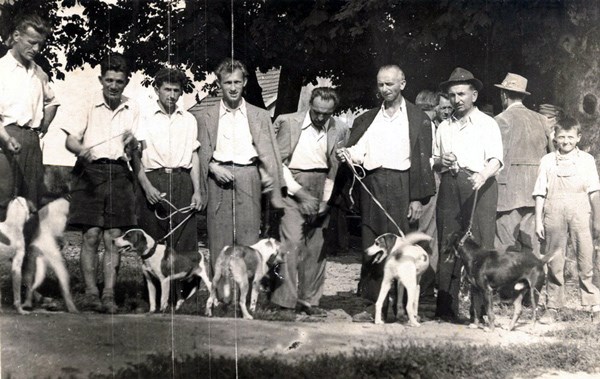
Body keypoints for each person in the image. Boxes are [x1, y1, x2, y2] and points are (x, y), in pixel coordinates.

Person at [333, 64, 435, 322]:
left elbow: (423, 162)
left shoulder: (418, 119)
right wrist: (346, 154)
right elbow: (358, 152)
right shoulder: (368, 119)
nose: (385, 89)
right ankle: (373, 305)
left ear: (402, 84)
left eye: (390, 84)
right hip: (374, 185)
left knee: (402, 248)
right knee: (373, 243)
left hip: (403, 186)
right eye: (381, 84)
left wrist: (417, 198)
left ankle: (400, 308)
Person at [63, 53, 140, 313]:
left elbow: (134, 150)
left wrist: (133, 144)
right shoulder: (87, 103)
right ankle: (91, 293)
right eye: (109, 80)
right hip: (90, 172)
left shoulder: (133, 108)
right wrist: (80, 149)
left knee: (112, 236)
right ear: (101, 79)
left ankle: (109, 295)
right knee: (91, 235)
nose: (114, 86)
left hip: (119, 173)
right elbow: (70, 140)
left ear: (126, 81)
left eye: (119, 81)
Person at [195, 58, 284, 271]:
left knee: (249, 235)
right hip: (218, 178)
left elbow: (271, 153)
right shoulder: (204, 116)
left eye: (237, 82)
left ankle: (246, 292)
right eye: (227, 83)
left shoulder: (260, 115)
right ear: (219, 84)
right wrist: (212, 167)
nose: (233, 88)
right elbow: (198, 152)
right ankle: (221, 292)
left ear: (245, 82)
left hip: (248, 176)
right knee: (219, 236)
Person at [270, 87, 349, 316]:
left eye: (327, 113)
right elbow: (277, 162)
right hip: (292, 183)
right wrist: (298, 191)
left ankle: (308, 302)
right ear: (308, 105)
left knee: (316, 248)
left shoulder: (340, 128)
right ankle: (284, 302)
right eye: (316, 111)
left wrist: (325, 200)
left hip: (322, 182)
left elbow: (335, 169)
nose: (321, 117)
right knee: (291, 243)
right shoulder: (288, 122)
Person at [434, 67, 503, 322]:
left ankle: (482, 312)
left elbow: (496, 159)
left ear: (473, 95)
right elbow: (434, 161)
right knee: (447, 244)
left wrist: (482, 174)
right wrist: (443, 161)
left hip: (480, 187)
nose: (456, 100)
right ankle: (445, 309)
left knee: (481, 249)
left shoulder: (488, 124)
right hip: (450, 187)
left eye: (461, 94)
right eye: (452, 95)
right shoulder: (444, 127)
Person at [533, 116, 600, 324]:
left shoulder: (587, 160)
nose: (566, 141)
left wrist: (597, 219)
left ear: (578, 137)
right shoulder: (547, 161)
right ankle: (552, 307)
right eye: (561, 137)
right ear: (555, 138)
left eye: (570, 137)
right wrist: (537, 221)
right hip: (554, 212)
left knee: (586, 259)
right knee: (554, 261)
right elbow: (539, 193)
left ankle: (594, 305)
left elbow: (595, 192)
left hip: (581, 213)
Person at [135, 68, 203, 252]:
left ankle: (184, 282)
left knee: (184, 243)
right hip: (153, 181)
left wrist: (197, 191)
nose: (172, 95)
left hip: (183, 182)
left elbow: (193, 156)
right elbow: (134, 156)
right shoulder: (143, 117)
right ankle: (153, 282)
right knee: (152, 246)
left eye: (176, 90)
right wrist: (147, 188)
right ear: (157, 89)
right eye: (167, 89)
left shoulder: (189, 119)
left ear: (181, 92)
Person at [0, 14, 59, 210]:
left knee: (30, 205)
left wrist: (45, 124)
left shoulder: (39, 73)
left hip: (32, 143)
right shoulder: (1, 69)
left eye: (40, 45)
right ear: (16, 36)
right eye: (32, 43)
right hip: (4, 139)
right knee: (3, 203)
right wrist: (6, 138)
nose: (36, 49)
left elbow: (53, 102)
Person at [494, 73, 553, 255]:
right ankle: (532, 282)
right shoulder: (542, 120)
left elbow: (496, 157)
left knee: (505, 244)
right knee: (532, 243)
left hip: (507, 191)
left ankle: (507, 282)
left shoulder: (500, 120)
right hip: (535, 190)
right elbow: (552, 155)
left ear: (504, 95)